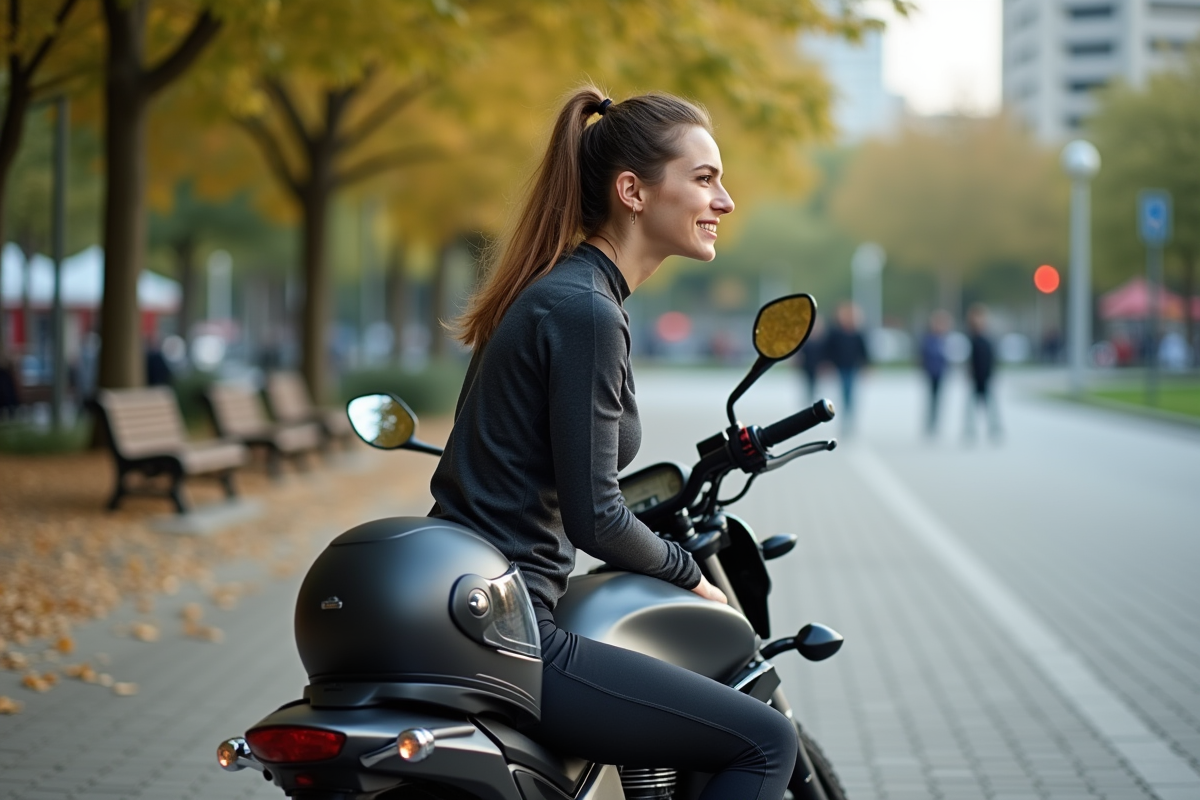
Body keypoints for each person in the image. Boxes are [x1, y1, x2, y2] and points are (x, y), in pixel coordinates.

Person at [429, 87, 798, 800]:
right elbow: (595, 517)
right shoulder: (587, 310)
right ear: (632, 190)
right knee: (764, 741)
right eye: (704, 178)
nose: (725, 200)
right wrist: (689, 572)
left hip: (470, 599)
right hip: (517, 625)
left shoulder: (559, 293)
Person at [822, 301, 869, 434]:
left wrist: (866, 365)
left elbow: (863, 350)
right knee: (845, 391)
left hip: (852, 366)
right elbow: (828, 349)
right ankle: (845, 418)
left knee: (850, 392)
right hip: (840, 366)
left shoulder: (857, 333)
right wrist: (827, 363)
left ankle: (849, 418)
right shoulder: (835, 333)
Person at [964, 303, 1002, 442]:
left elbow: (992, 359)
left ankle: (994, 429)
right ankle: (969, 430)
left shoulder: (988, 338)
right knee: (971, 407)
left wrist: (992, 374)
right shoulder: (971, 338)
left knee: (991, 405)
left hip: (986, 377)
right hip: (975, 378)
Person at [919, 310, 951, 437]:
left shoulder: (945, 339)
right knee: (931, 398)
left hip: (941, 373)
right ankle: (930, 422)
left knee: (938, 399)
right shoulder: (929, 339)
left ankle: (936, 422)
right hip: (930, 372)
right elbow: (923, 355)